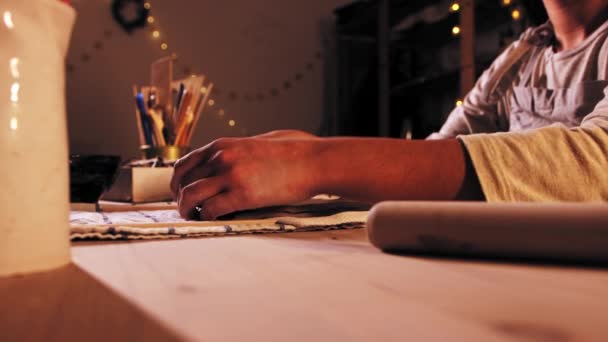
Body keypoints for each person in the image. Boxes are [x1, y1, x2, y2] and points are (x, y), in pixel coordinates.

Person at [171, 0, 608, 220]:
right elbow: (441, 152)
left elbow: (597, 164)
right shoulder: (521, 56)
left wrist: (315, 163)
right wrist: (312, 165)